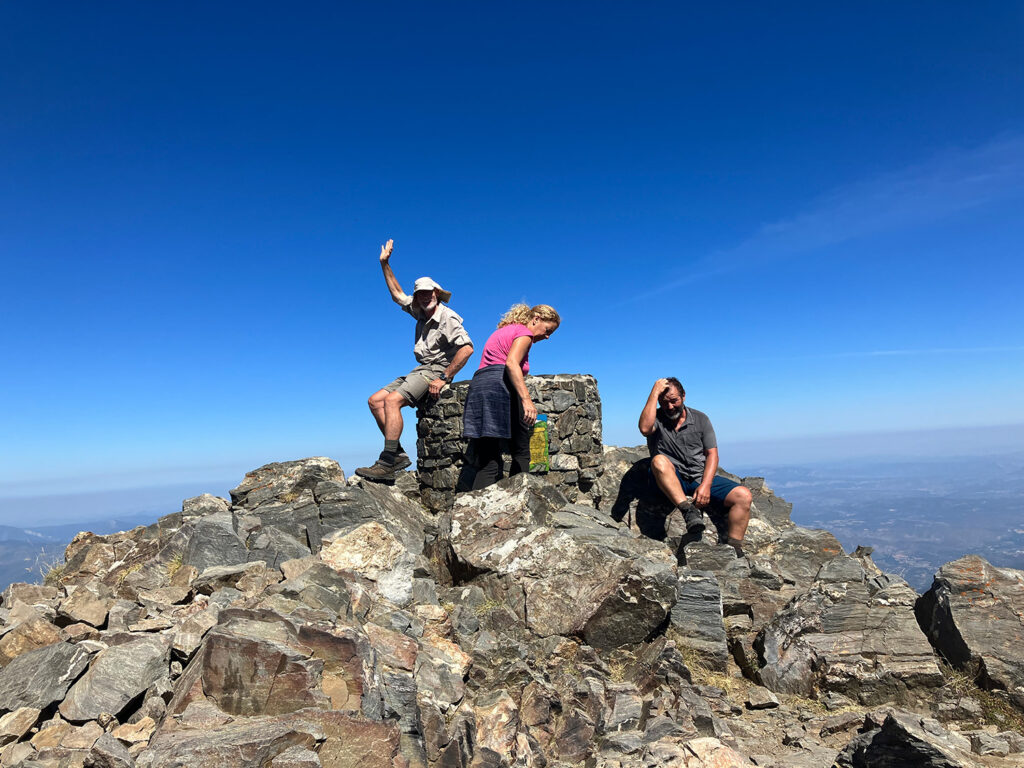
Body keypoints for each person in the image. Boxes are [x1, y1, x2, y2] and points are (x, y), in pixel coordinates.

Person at [356, 239, 474, 482]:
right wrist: (385, 264)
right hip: (420, 369)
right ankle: (397, 454)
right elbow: (397, 295)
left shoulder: (447, 317)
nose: (423, 297)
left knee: (392, 401)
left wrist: (444, 377)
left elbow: (467, 349)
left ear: (437, 294)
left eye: (427, 293)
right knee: (375, 400)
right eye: (419, 294)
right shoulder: (420, 311)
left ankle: (387, 462)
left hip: (436, 370)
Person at [638, 377, 753, 557]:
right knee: (658, 461)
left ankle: (734, 548)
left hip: (699, 476)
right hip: (672, 479)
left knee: (743, 496)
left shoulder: (700, 419)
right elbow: (645, 429)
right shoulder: (657, 419)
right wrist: (654, 391)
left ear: (683, 396)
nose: (670, 407)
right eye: (664, 402)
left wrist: (706, 485)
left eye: (674, 400)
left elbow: (712, 454)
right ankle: (688, 510)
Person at [461, 303, 560, 490]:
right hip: (500, 386)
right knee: (522, 450)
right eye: (548, 330)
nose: (547, 337)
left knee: (489, 460)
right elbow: (512, 363)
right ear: (536, 319)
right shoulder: (524, 334)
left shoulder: (504, 330)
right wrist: (526, 400)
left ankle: (474, 511)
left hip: (480, 386)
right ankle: (519, 502)